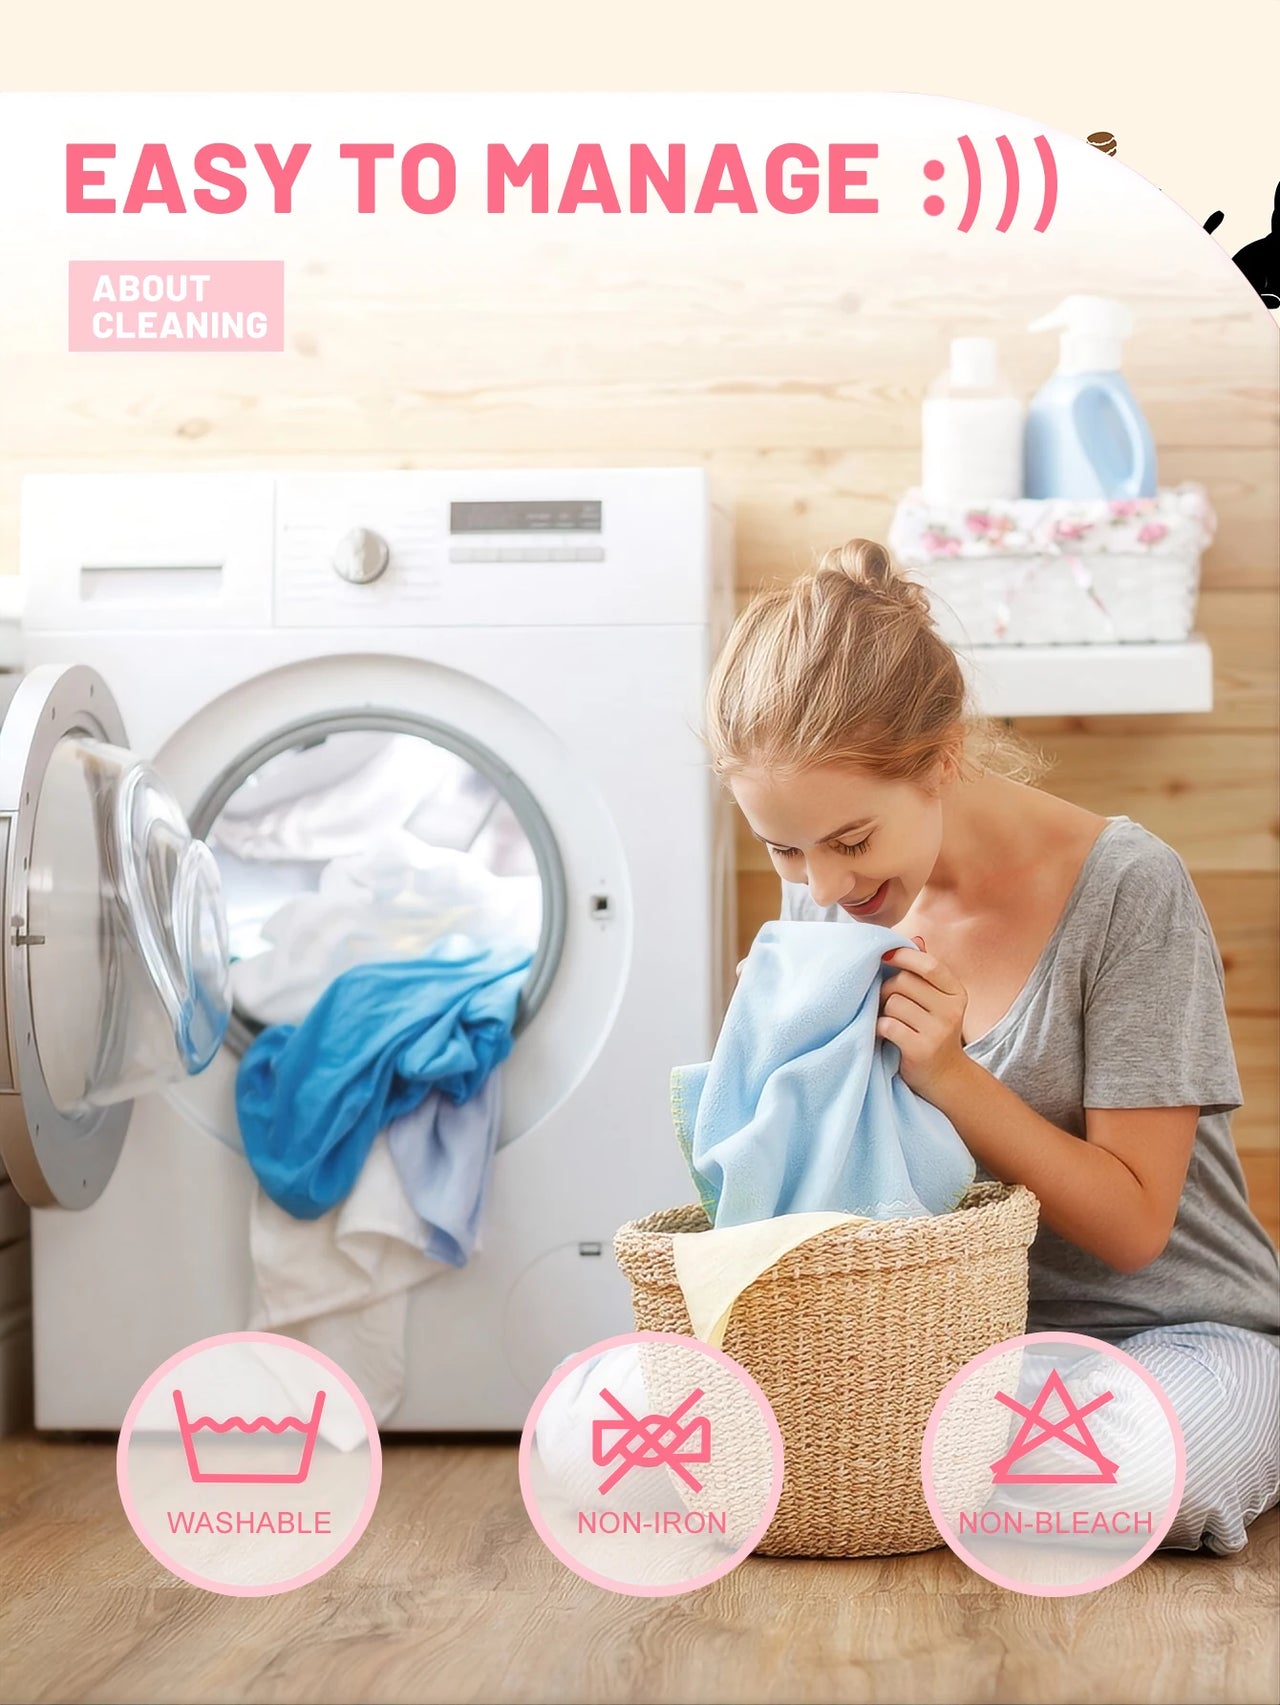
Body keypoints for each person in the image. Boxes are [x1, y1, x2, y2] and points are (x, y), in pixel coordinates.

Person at [704, 536, 1280, 1556]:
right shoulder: (831, 908)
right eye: (780, 848)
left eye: (848, 841)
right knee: (707, 1449)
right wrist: (777, 1051)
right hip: (953, 1341)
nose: (822, 887)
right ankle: (938, 1474)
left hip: (1176, 1337)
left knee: (1151, 1474)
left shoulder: (1126, 890)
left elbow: (1137, 1227)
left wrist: (951, 1077)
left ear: (941, 756)